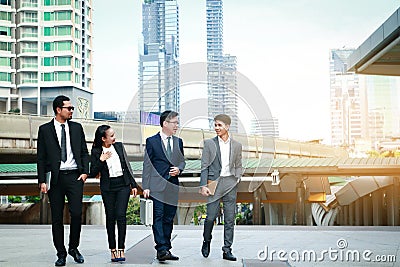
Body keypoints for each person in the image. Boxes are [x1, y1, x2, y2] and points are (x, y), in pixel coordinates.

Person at [37, 95, 89, 266]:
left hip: (74, 176)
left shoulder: (76, 128)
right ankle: (61, 253)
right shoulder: (45, 130)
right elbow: (41, 158)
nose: (71, 110)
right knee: (57, 217)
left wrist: (85, 172)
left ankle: (74, 247)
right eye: (69, 108)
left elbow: (83, 151)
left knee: (76, 213)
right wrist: (42, 181)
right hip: (56, 179)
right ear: (58, 110)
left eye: (72, 108)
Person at [89, 125, 138, 262]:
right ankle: (113, 250)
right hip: (108, 187)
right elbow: (92, 172)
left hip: (122, 185)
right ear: (103, 138)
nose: (114, 137)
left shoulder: (119, 147)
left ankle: (121, 248)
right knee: (110, 217)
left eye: (114, 134)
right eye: (111, 136)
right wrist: (101, 160)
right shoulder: (96, 151)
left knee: (121, 215)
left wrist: (133, 185)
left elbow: (127, 166)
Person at [142, 110, 185, 261]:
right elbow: (147, 164)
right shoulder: (151, 141)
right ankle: (161, 249)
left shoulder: (178, 141)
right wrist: (145, 186)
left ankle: (166, 248)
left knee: (169, 217)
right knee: (158, 216)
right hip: (156, 186)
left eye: (177, 123)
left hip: (172, 186)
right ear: (165, 123)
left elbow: (182, 161)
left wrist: (179, 169)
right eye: (175, 123)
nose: (177, 126)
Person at [199, 114, 242, 261]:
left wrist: (237, 177)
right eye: (215, 125)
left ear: (227, 127)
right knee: (210, 217)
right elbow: (204, 166)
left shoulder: (237, 145)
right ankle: (206, 240)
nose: (216, 128)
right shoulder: (209, 144)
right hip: (213, 183)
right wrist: (203, 185)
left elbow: (238, 164)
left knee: (229, 218)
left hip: (230, 183)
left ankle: (227, 249)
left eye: (219, 125)